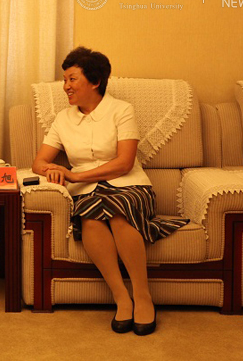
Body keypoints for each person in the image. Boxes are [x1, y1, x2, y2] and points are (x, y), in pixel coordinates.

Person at [32, 47, 187, 336]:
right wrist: (51, 169)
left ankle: (142, 296)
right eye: (64, 80)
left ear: (95, 81)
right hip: (87, 192)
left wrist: (76, 175)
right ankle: (121, 297)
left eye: (72, 79)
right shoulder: (63, 119)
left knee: (118, 212)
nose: (66, 86)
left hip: (130, 184)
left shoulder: (121, 110)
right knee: (91, 218)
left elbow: (124, 163)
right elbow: (39, 162)